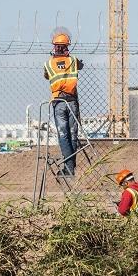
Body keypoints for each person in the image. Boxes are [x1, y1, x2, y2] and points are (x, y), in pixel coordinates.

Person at [43, 28, 83, 177]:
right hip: (72, 101)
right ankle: (71, 168)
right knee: (73, 134)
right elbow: (80, 66)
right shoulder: (73, 60)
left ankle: (69, 168)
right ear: (67, 46)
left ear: (54, 46)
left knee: (63, 135)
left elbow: (46, 76)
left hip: (58, 102)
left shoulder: (48, 64)